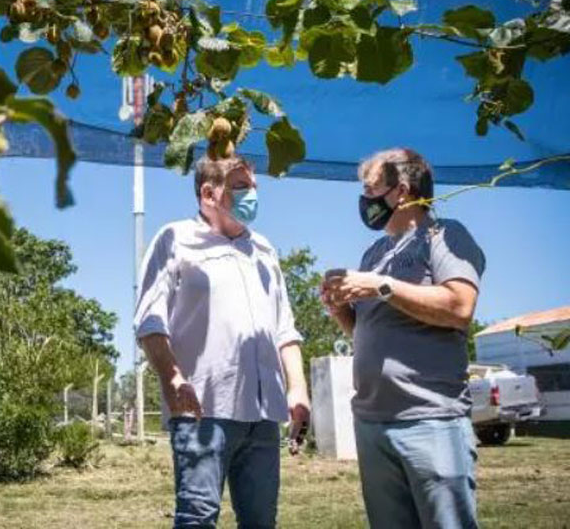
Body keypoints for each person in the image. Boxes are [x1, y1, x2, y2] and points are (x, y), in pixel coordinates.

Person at [134, 154, 310, 529]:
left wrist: (297, 389)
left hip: (264, 417)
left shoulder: (264, 250)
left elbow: (285, 328)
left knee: (262, 522)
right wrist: (172, 378)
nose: (253, 194)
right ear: (209, 193)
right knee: (198, 518)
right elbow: (150, 320)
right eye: (241, 186)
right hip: (202, 410)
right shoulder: (175, 239)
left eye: (254, 185)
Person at [321, 148, 486, 529]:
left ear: (403, 191)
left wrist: (381, 286)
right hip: (372, 423)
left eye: (372, 189)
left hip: (431, 421)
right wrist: (340, 308)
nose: (364, 202)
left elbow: (459, 307)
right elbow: (364, 334)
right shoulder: (374, 253)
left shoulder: (444, 236)